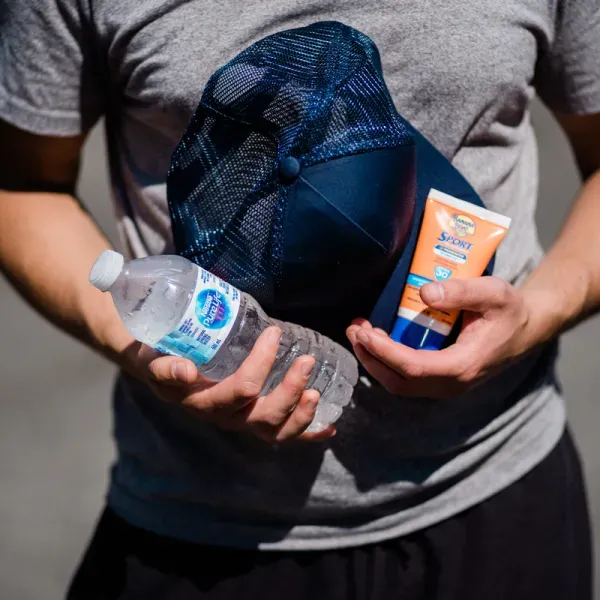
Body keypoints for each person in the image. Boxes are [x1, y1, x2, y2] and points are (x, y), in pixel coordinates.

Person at [1, 1, 599, 599]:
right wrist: (139, 347)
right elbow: (19, 184)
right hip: (203, 532)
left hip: (495, 491)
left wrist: (534, 317)